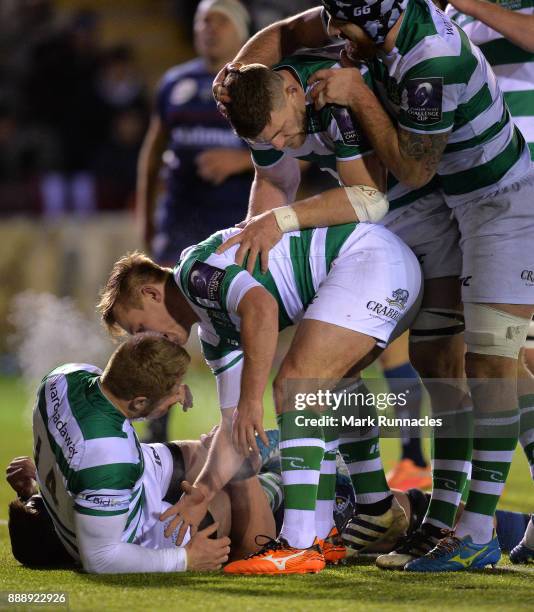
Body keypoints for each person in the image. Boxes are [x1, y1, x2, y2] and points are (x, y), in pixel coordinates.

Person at [212, 0, 534, 572]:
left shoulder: (385, 73)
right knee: (407, 367)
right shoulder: (276, 94)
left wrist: (281, 221)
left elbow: (389, 186)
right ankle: (392, 509)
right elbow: (287, 38)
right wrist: (235, 73)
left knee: (474, 365)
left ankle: (453, 525)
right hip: (433, 211)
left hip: (450, 210)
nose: (284, 143)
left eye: (285, 130)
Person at [98, 211, 423, 574]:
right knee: (331, 385)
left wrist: (253, 399)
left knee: (294, 382)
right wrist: (200, 496)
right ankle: (339, 525)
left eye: (140, 328)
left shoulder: (193, 272)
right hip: (382, 265)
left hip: (371, 260)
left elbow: (261, 307)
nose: (148, 341)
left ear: (150, 292)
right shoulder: (213, 334)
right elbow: (232, 429)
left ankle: (298, 543)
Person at [7, 430, 532, 567]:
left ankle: (503, 527)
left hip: (273, 464)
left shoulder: (108, 516)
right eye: (43, 508)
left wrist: (37, 483)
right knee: (410, 515)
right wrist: (235, 474)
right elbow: (259, 548)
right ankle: (511, 528)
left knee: (409, 506)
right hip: (299, 499)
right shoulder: (162, 540)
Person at [137, 0, 254, 444]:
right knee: (161, 330)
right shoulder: (175, 83)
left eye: (219, 20)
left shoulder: (256, 80)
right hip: (179, 226)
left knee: (243, 329)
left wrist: (240, 161)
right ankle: (155, 432)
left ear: (241, 31)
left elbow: (297, 156)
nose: (208, 28)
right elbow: (151, 155)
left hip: (233, 231)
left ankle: (240, 429)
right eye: (202, 20)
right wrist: (147, 224)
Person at [27, 332, 232, 574]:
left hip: (124, 472)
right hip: (131, 536)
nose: (177, 397)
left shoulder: (64, 376)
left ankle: (257, 468)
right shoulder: (110, 456)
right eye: (173, 393)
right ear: (138, 402)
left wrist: (163, 392)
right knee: (224, 501)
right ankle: (271, 491)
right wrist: (185, 559)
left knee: (205, 455)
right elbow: (100, 558)